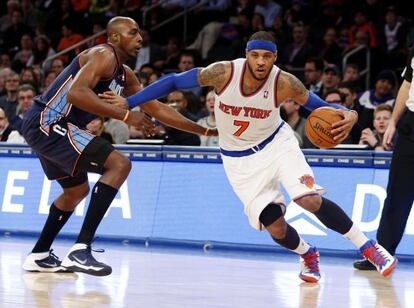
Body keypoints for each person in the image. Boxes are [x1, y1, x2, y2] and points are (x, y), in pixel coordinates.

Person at [100, 31, 397, 282]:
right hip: (238, 159)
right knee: (276, 227)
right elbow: (175, 81)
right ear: (247, 54)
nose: (260, 62)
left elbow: (314, 103)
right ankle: (308, 254)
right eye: (255, 56)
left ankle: (368, 247)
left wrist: (349, 112)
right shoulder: (224, 72)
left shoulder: (284, 82)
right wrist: (131, 101)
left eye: (266, 57)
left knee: (307, 198)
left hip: (277, 145)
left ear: (275, 58)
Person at [21, 16, 217, 276]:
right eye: (133, 33)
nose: (140, 39)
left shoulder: (126, 75)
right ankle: (81, 249)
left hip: (50, 127)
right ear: (114, 37)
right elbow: (75, 93)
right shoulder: (104, 54)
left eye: (140, 34)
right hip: (48, 121)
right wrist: (126, 116)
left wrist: (203, 129)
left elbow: (155, 107)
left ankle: (39, 253)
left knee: (76, 191)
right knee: (119, 164)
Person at [354, 47, 414, 270]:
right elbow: (407, 85)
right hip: (410, 127)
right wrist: (393, 122)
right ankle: (383, 254)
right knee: (397, 195)